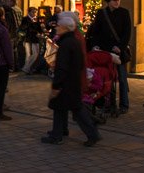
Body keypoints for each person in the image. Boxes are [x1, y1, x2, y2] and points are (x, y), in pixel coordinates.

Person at [41, 12, 100, 147]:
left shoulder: (66, 44)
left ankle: (90, 134)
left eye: (59, 26)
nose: (56, 27)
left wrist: (56, 85)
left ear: (66, 28)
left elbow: (62, 67)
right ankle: (60, 133)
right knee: (67, 109)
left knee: (72, 109)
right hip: (73, 82)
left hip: (66, 83)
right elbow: (79, 64)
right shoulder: (73, 41)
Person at [86, 0, 132, 113]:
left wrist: (120, 47)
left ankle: (124, 105)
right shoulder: (102, 13)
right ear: (108, 2)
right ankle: (109, 103)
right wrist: (96, 45)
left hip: (119, 51)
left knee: (122, 78)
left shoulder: (124, 13)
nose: (117, 2)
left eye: (119, 0)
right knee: (108, 78)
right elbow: (96, 31)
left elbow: (127, 33)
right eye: (114, 0)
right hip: (105, 50)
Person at [20, 7, 45, 74]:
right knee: (29, 54)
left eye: (35, 12)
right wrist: (32, 24)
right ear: (29, 12)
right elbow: (23, 28)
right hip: (29, 39)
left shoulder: (37, 19)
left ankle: (27, 68)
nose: (35, 13)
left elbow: (39, 28)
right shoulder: (25, 19)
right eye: (33, 12)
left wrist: (41, 31)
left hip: (36, 39)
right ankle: (27, 69)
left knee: (35, 54)